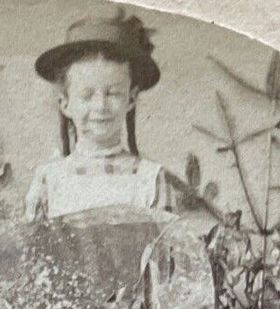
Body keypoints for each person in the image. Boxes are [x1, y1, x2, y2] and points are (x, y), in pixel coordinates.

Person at [23, 14, 173, 222]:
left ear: (131, 99)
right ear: (65, 103)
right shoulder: (49, 180)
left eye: (113, 93)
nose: (100, 106)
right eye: (86, 95)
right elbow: (34, 251)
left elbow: (166, 250)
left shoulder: (151, 179)